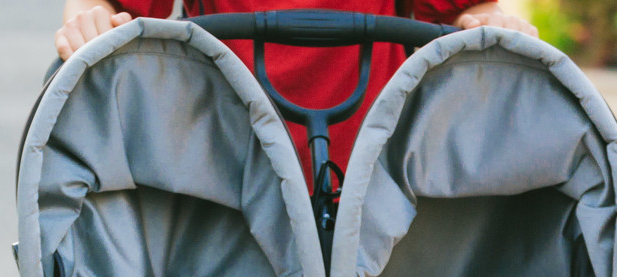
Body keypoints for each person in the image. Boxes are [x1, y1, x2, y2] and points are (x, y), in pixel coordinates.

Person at [54, 0, 538, 181]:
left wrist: (484, 23)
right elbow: (106, 6)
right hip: (224, 160)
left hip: (379, 162)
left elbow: (463, 12)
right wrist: (90, 18)